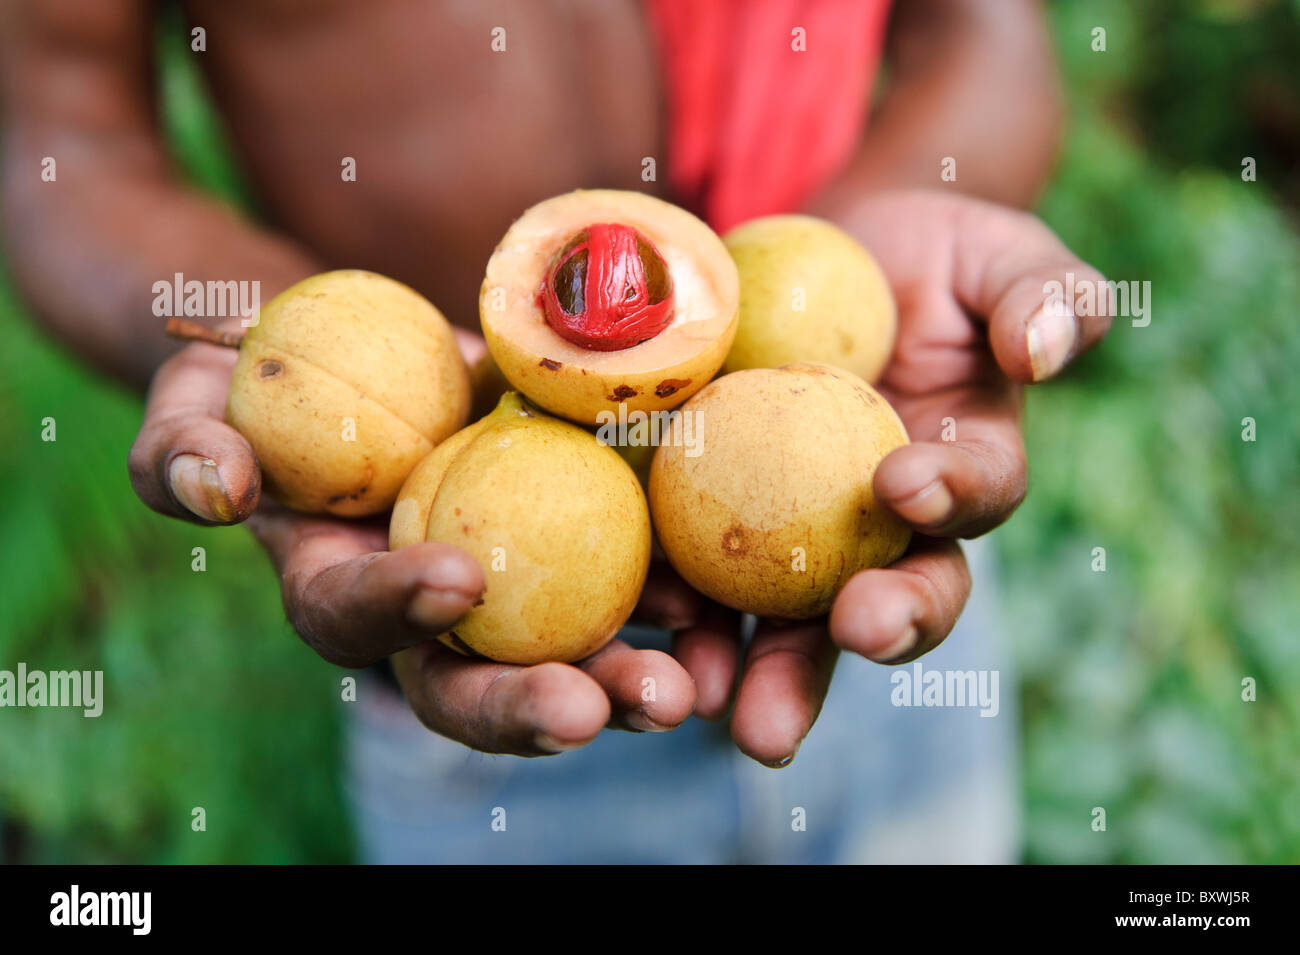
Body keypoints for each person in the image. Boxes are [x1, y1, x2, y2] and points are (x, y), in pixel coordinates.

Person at [1, 0, 1111, 862]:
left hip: (879, 529)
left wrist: (875, 236)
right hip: (469, 631)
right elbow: (64, 146)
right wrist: (272, 346)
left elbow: (988, 36)